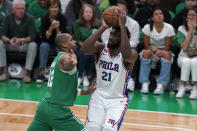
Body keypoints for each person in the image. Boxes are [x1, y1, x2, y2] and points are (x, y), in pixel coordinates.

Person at [81, 8, 138, 131]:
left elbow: (128, 55)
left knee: (109, 129)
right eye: (111, 34)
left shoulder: (131, 54)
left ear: (123, 39)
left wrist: (122, 26)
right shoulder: (101, 49)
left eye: (115, 36)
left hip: (117, 100)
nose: (111, 37)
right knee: (92, 128)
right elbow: (84, 50)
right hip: (99, 96)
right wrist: (102, 28)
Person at [28, 33, 96, 131]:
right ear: (64, 45)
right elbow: (66, 63)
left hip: (44, 107)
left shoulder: (57, 58)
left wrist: (87, 92)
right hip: (58, 111)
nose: (75, 41)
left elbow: (67, 90)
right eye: (71, 40)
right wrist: (71, 63)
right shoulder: (64, 57)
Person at [101, 0, 140, 91]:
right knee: (102, 50)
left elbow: (134, 41)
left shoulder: (134, 24)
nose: (120, 12)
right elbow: (104, 38)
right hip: (111, 46)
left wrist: (121, 46)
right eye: (118, 10)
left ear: (126, 11)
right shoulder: (109, 21)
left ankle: (130, 79)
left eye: (122, 10)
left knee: (133, 53)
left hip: (126, 48)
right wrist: (112, 46)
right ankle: (105, 77)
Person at [139, 7, 175, 94]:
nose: (159, 16)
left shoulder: (169, 27)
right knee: (146, 53)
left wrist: (159, 53)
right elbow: (146, 45)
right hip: (151, 50)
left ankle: (161, 85)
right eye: (156, 14)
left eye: (161, 14)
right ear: (152, 17)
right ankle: (144, 83)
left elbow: (168, 46)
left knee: (167, 55)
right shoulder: (147, 27)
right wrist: (154, 51)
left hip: (164, 50)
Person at [0, 0, 37, 82]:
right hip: (10, 44)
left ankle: (26, 73)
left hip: (23, 45)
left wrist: (21, 40)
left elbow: (33, 36)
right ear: (13, 10)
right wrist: (9, 40)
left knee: (33, 45)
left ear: (25, 9)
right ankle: (4, 71)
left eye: (22, 8)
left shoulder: (30, 19)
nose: (20, 10)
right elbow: (2, 34)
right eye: (18, 8)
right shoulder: (7, 18)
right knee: (0, 43)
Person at [36, 0, 67, 83]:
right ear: (48, 8)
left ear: (59, 8)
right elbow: (44, 38)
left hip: (58, 44)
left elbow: (63, 38)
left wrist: (57, 29)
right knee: (43, 46)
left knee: (62, 48)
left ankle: (60, 74)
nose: (54, 9)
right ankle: (41, 73)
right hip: (48, 44)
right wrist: (51, 28)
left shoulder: (63, 19)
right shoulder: (45, 18)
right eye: (52, 7)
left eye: (56, 7)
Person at [73, 4, 101, 87]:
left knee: (92, 55)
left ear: (93, 14)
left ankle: (86, 76)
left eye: (90, 12)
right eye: (86, 12)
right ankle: (80, 76)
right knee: (84, 54)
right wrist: (86, 45)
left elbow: (99, 39)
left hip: (93, 48)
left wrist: (91, 46)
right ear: (82, 14)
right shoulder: (77, 23)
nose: (88, 14)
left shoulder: (98, 23)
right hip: (80, 48)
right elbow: (77, 39)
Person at [176, 7, 197, 99]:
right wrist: (190, 31)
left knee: (195, 62)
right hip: (184, 56)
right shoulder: (181, 28)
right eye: (189, 15)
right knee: (186, 61)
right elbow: (184, 47)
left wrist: (195, 31)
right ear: (186, 17)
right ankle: (182, 87)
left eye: (194, 15)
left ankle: (195, 88)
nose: (191, 17)